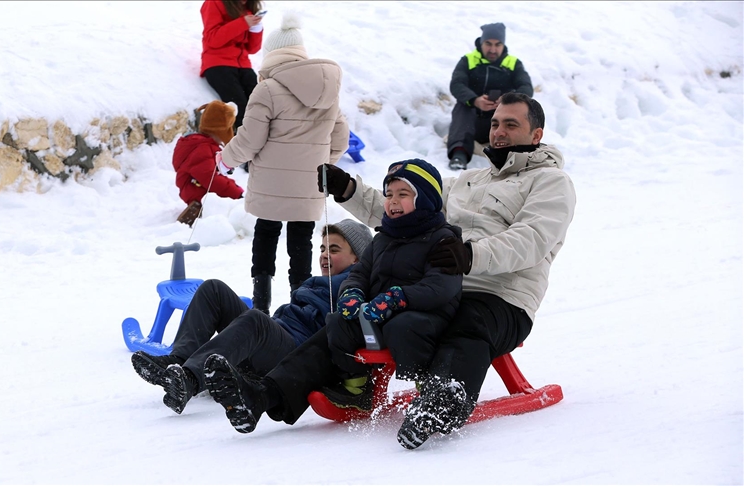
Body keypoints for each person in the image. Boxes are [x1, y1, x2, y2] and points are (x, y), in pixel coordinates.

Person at [202, 93, 577, 451]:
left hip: (501, 297)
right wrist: (349, 189)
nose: (498, 131)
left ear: (536, 134)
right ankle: (264, 394)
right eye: (495, 122)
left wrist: (469, 255)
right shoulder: (470, 181)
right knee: (344, 322)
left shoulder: (550, 182)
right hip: (440, 288)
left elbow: (532, 239)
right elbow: (412, 208)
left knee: (468, 323)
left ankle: (440, 407)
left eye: (510, 124)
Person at [131, 219, 372, 415]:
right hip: (274, 339)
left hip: (292, 354)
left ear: (357, 259)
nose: (324, 255)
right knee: (213, 289)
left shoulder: (352, 287)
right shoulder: (319, 282)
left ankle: (189, 379)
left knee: (256, 319)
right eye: (322, 248)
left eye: (334, 249)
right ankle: (179, 360)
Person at [218, 13, 349, 315]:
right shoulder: (328, 91)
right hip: (309, 184)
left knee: (266, 234)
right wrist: (319, 164)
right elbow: (340, 138)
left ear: (272, 53)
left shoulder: (267, 89)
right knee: (301, 242)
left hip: (269, 184)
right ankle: (299, 308)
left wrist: (224, 159)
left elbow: (250, 141)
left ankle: (260, 307)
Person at [321, 160, 463, 412]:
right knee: (337, 322)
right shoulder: (383, 237)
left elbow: (440, 287)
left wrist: (399, 297)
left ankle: (426, 386)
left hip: (427, 315)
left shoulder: (443, 238)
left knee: (404, 327)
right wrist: (351, 292)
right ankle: (357, 386)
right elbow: (361, 273)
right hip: (377, 312)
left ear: (426, 199)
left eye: (403, 194)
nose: (392, 201)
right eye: (388, 194)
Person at [446, 22, 533, 171]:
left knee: (519, 110)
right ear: (481, 42)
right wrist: (475, 100)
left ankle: (510, 156)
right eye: (488, 44)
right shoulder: (467, 60)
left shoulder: (513, 64)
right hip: (471, 121)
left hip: (499, 121)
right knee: (463, 105)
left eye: (497, 45)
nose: (493, 49)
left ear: (503, 45)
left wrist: (507, 100)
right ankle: (459, 153)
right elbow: (457, 84)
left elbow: (526, 88)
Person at [173, 100, 244, 226]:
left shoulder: (200, 143)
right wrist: (237, 194)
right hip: (196, 190)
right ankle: (199, 210)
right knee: (228, 204)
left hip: (192, 186)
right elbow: (211, 179)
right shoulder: (202, 148)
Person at [199, 0, 264, 132]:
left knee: (261, 103)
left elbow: (252, 48)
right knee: (240, 107)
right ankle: (243, 147)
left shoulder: (247, 9)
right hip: (218, 63)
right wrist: (242, 23)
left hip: (243, 65)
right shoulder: (214, 3)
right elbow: (213, 39)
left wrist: (256, 30)